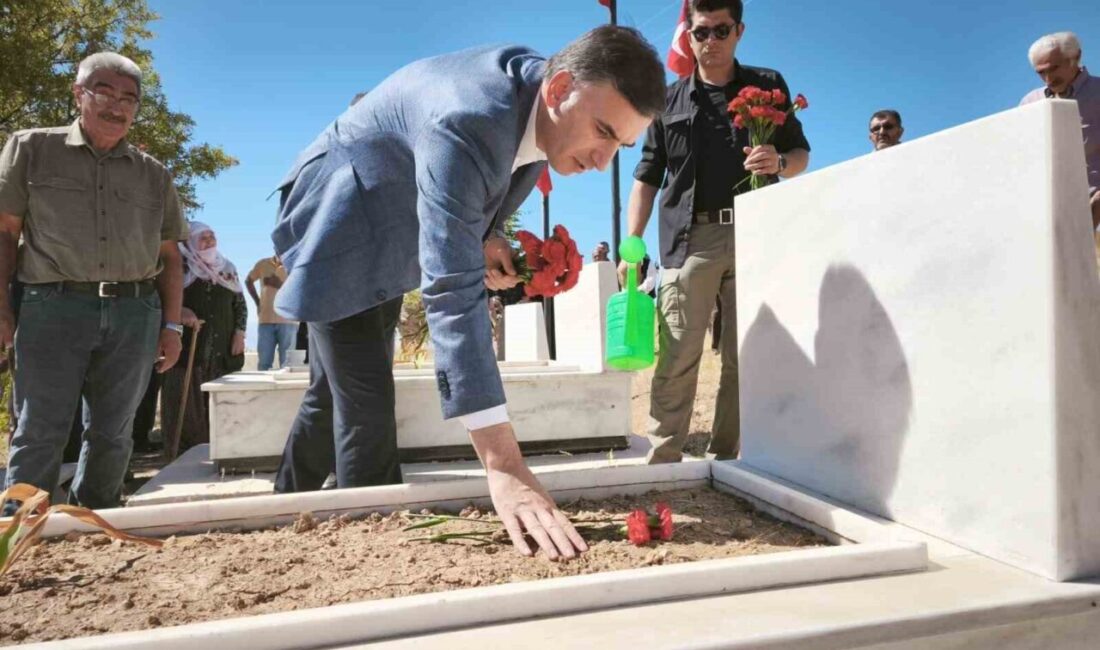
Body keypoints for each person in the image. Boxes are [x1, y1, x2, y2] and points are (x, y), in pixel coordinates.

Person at [271, 26, 665, 560]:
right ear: (560, 89)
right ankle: (379, 557)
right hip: (342, 222)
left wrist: (488, 239)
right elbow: (451, 292)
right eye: (602, 131)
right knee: (365, 402)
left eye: (621, 144)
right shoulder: (468, 117)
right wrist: (504, 466)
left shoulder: (536, 108)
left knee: (333, 389)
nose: (603, 161)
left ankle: (277, 515)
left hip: (394, 230)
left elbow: (477, 197)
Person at [623, 0, 810, 464]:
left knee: (743, 356)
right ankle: (664, 457)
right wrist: (632, 244)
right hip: (691, 239)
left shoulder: (767, 86)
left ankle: (727, 460)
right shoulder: (667, 100)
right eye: (701, 32)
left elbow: (800, 154)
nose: (711, 42)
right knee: (678, 351)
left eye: (720, 31)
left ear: (739, 31)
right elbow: (647, 175)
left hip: (757, 237)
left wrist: (780, 163)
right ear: (688, 35)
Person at [0, 52, 186, 512]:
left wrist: (173, 326)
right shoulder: (31, 148)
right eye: (104, 91)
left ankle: (93, 524)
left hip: (133, 313)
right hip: (52, 307)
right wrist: (2, 309)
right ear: (78, 93)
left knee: (114, 431)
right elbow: (5, 233)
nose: (117, 106)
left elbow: (170, 258)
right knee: (40, 426)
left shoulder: (154, 175)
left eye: (129, 99)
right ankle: (20, 532)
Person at [161, 222, 246, 453]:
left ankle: (219, 450)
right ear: (190, 241)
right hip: (188, 347)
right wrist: (181, 313)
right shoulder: (180, 267)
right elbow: (164, 299)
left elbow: (240, 304)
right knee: (186, 402)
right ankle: (183, 453)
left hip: (222, 349)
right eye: (203, 237)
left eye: (212, 236)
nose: (209, 240)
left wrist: (239, 333)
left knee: (219, 404)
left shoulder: (227, 267)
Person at [1020, 32, 1099, 230]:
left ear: (1076, 57)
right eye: (1040, 73)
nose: (1048, 79)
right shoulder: (1030, 103)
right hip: (1054, 223)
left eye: (1054, 68)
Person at [246, 254, 296, 370]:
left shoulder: (295, 264)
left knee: (287, 366)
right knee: (264, 364)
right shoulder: (263, 264)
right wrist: (257, 302)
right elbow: (248, 280)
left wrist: (280, 284)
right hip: (265, 320)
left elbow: (302, 288)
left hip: (288, 320)